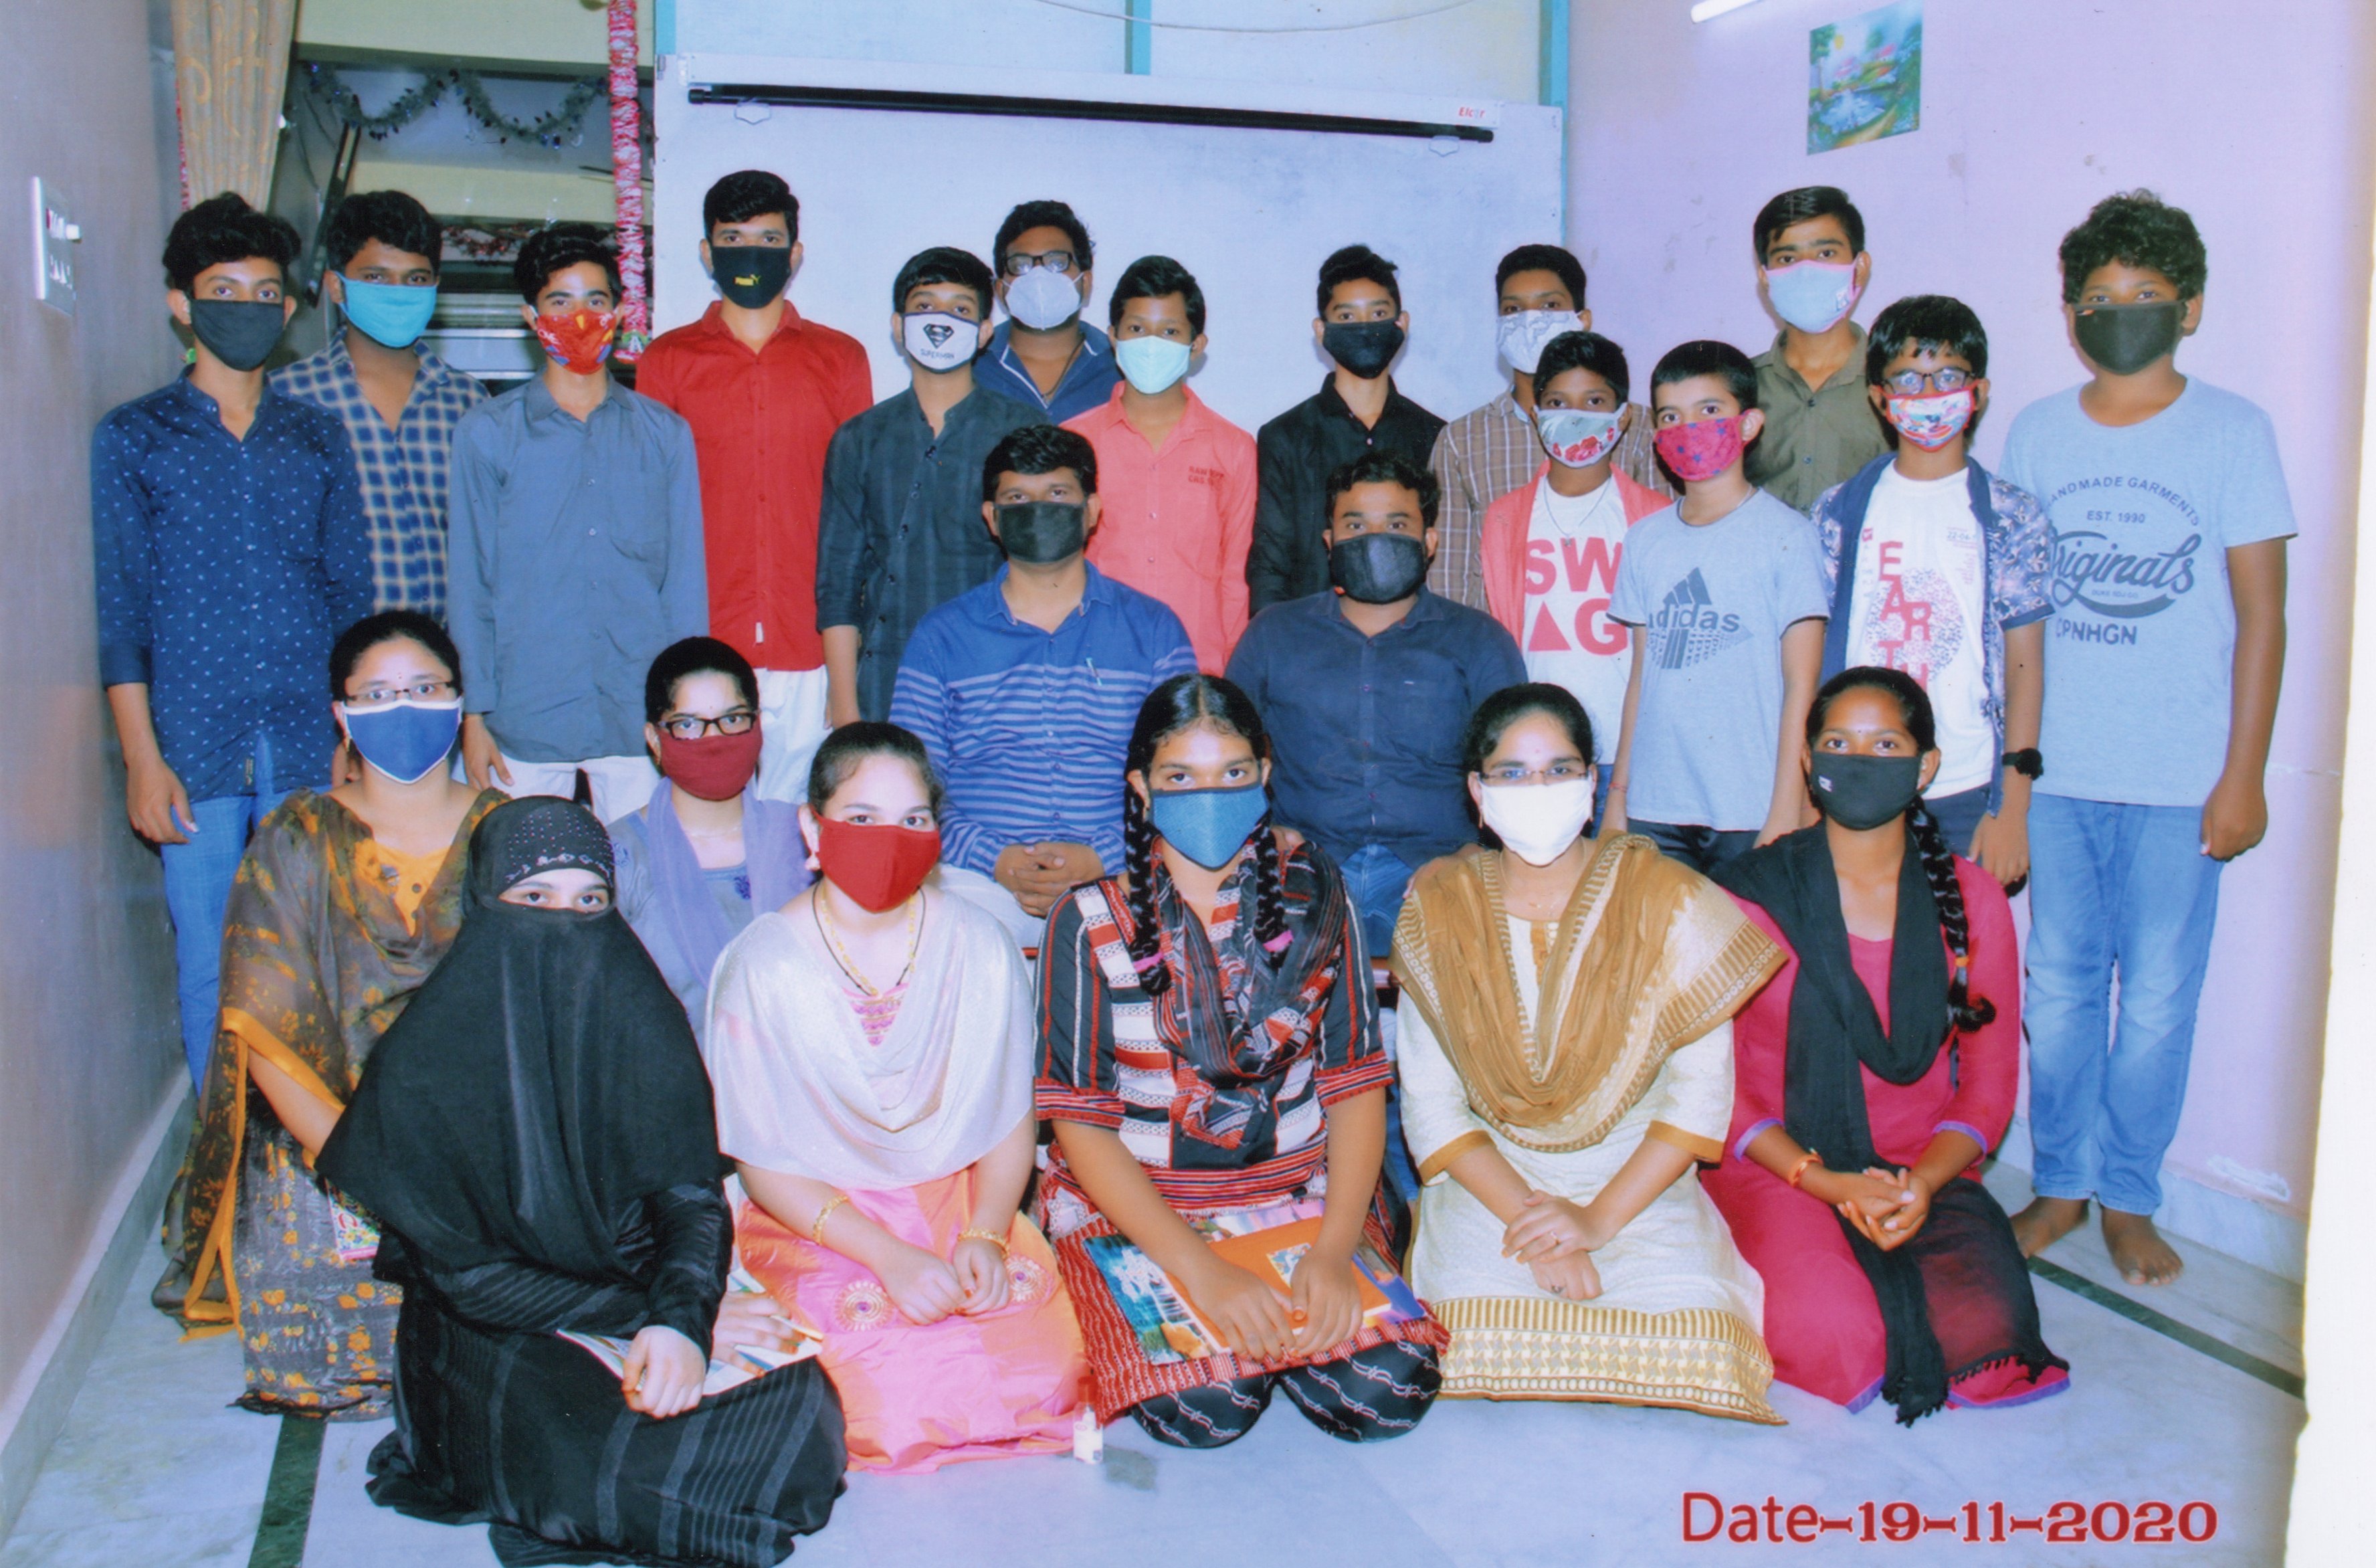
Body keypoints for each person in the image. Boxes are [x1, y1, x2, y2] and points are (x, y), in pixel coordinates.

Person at [316, 799, 846, 1567]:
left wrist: (682, 1319)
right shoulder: (422, 1066)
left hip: (636, 1284)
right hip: (494, 1324)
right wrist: (653, 1319)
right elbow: (470, 1281)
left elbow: (690, 1200)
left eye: (589, 900)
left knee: (805, 1411)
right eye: (535, 897)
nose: (565, 922)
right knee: (595, 1468)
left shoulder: (638, 1015)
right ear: (485, 901)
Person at [1999, 191, 2294, 1286]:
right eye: (2098, 295)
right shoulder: (2037, 431)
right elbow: (2017, 621)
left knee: (2161, 998)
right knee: (2060, 989)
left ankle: (2130, 1195)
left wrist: (2243, 776)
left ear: (2191, 307)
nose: (2119, 310)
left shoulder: (2234, 431)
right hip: (2058, 773)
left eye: (2145, 292)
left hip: (2182, 780)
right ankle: (2061, 1183)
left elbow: (2262, 615)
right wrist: (2013, 782)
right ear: (2071, 311)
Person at [1037, 675, 1446, 1447]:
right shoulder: (1085, 920)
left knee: (1388, 1394)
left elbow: (1354, 1083)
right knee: (1207, 1409)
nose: (1210, 795)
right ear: (1141, 787)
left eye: (1232, 772)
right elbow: (1079, 1123)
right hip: (1148, 1211)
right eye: (1180, 777)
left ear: (1264, 772)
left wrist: (1332, 1251)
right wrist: (1203, 1270)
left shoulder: (1317, 894)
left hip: (1301, 1195)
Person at [1390, 684, 1783, 1420]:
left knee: (1707, 1350)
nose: (1537, 789)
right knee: (1456, 1342)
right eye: (1512, 773)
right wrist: (1544, 1231)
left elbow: (1699, 1095)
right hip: (1493, 1179)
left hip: (1635, 1181)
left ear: (1591, 781)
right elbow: (1433, 1107)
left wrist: (1596, 1222)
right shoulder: (1440, 910)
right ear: (1478, 791)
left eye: (1559, 770)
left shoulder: (1669, 899)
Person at [706, 722, 1088, 1472]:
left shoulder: (979, 943)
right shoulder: (762, 965)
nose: (891, 838)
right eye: (862, 817)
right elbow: (764, 1162)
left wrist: (986, 1233)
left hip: (960, 1194)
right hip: (823, 1213)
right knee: (888, 1398)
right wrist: (889, 1257)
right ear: (812, 826)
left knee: (1044, 1376)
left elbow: (1009, 1116)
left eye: (914, 819)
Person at [1706, 668, 2070, 1420]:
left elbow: (1989, 1084)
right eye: (1838, 743)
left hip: (1921, 1167)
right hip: (1780, 1164)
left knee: (1987, 1344)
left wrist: (1923, 1185)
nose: (1860, 761)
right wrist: (1825, 1182)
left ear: (1925, 766)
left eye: (1886, 745)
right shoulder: (1749, 892)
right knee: (1838, 1340)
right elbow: (1713, 1081)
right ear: (1807, 760)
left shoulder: (1972, 899)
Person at [161, 611, 498, 1415]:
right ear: (341, 714)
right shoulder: (296, 836)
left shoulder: (509, 833)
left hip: (484, 1124)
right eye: (377, 695)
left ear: (459, 703)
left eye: (425, 688)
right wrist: (362, 1160)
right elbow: (266, 1025)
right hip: (333, 1121)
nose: (404, 708)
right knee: (329, 1316)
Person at [94, 191, 373, 1091]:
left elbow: (352, 601)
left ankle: (314, 1153)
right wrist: (142, 759)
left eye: (263, 294)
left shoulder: (318, 437)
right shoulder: (135, 438)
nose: (245, 309)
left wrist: (352, 742)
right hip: (191, 748)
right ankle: (225, 1155)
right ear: (181, 303)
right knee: (212, 961)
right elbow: (122, 614)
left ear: (287, 311)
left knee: (314, 952)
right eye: (223, 291)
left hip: (307, 740)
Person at [890, 423, 1197, 944]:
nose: (1037, 510)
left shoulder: (1154, 631)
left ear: (1091, 510)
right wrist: (996, 859)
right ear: (992, 517)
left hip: (1126, 874)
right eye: (1017, 498)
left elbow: (1183, 777)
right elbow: (910, 785)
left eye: (1057, 494)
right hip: (974, 884)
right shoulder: (940, 637)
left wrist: (1104, 855)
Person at [448, 223, 707, 823]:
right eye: (560, 302)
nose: (580, 317)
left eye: (596, 299)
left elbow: (684, 587)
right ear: (530, 316)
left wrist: (686, 710)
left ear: (619, 311)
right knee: (520, 874)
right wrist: (474, 716)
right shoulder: (487, 434)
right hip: (523, 719)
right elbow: (470, 584)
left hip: (639, 718)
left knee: (648, 874)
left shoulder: (664, 435)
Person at [1227, 451, 1524, 959]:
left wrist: (1478, 856)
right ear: (1330, 541)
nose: (1375, 539)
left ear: (1429, 541)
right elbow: (1226, 753)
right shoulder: (1273, 634)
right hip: (1303, 863)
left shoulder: (1479, 640)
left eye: (1397, 524)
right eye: (1356, 525)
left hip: (1440, 865)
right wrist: (1257, 835)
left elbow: (1516, 772)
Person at [639, 170, 872, 801]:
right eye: (733, 239)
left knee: (799, 825)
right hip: (704, 637)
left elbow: (859, 512)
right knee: (706, 821)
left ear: (794, 254)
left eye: (769, 239)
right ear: (707, 252)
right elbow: (651, 510)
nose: (751, 254)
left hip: (810, 643)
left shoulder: (841, 358)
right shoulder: (667, 361)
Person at [1809, 296, 2052, 880]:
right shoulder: (1837, 513)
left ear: (1979, 391)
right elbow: (1811, 656)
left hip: (1966, 785)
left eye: (1947, 377)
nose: (1928, 394)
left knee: (1961, 936)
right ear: (1878, 397)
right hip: (1858, 776)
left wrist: (2012, 805)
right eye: (1908, 380)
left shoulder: (2012, 516)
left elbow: (2025, 664)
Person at [1606, 340, 1829, 872]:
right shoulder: (1644, 541)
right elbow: (1641, 677)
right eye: (1671, 416)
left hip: (1750, 807)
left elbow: (1801, 684)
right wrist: (1619, 795)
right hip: (1656, 805)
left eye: (1709, 410)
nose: (1690, 428)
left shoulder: (1788, 537)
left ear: (1749, 424)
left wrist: (1788, 806)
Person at [817, 246, 1038, 724]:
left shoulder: (1023, 432)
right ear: (898, 327)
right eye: (924, 306)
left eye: (960, 309)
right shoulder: (859, 439)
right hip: (884, 687)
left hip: (997, 686)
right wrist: (847, 712)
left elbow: (1044, 571)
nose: (941, 321)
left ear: (984, 331)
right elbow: (838, 586)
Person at [1478, 330, 1668, 817]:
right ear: (1536, 414)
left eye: (1594, 401)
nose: (1575, 415)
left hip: (1630, 755)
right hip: (1539, 753)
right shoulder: (1505, 518)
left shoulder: (1655, 518)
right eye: (1558, 402)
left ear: (1623, 417)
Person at [273, 189, 485, 617]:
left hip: (445, 650)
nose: (398, 293)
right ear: (337, 286)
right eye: (376, 277)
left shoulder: (468, 401)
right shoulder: (286, 398)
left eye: (416, 279)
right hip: (333, 650)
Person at [1430, 243, 1668, 612]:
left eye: (1549, 305)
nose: (1530, 321)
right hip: (1502, 641)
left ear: (1581, 319)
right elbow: (1449, 578)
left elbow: (1663, 551)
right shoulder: (1462, 441)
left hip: (1613, 636)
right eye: (1513, 309)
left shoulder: (1639, 427)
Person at [609, 637, 812, 1040]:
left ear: (757, 725)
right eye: (688, 724)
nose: (714, 739)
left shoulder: (804, 837)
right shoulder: (619, 858)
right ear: (654, 739)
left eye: (732, 719)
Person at [1067, 255, 1258, 673]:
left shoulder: (1233, 448)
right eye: (1137, 329)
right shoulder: (1074, 441)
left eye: (1170, 332)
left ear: (1196, 345)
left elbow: (1236, 575)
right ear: (1114, 337)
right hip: (1095, 665)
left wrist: (1231, 673)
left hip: (1197, 664)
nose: (1152, 344)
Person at [1248, 244, 1446, 610]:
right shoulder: (1286, 437)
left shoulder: (1435, 436)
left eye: (1378, 313)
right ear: (1321, 330)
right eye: (1347, 316)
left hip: (1413, 634)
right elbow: (1270, 566)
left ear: (1402, 323)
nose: (1365, 328)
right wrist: (1272, 638)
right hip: (1312, 634)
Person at [1745, 186, 1891, 513]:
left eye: (1826, 254)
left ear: (1860, 267)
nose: (1806, 272)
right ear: (1765, 278)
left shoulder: (1898, 387)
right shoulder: (1739, 388)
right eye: (1787, 258)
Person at [973, 199, 1118, 421]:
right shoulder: (971, 365)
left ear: (1086, 282)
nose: (1039, 277)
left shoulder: (1121, 365)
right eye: (1021, 265)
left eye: (1057, 263)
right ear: (1001, 290)